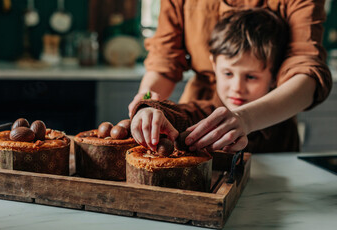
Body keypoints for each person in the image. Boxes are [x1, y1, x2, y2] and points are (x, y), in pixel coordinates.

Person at [130, 8, 314, 153]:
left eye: (251, 77)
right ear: (214, 65)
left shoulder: (283, 126)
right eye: (228, 74)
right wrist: (148, 106)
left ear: (275, 77)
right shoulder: (205, 113)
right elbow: (173, 114)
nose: (237, 88)